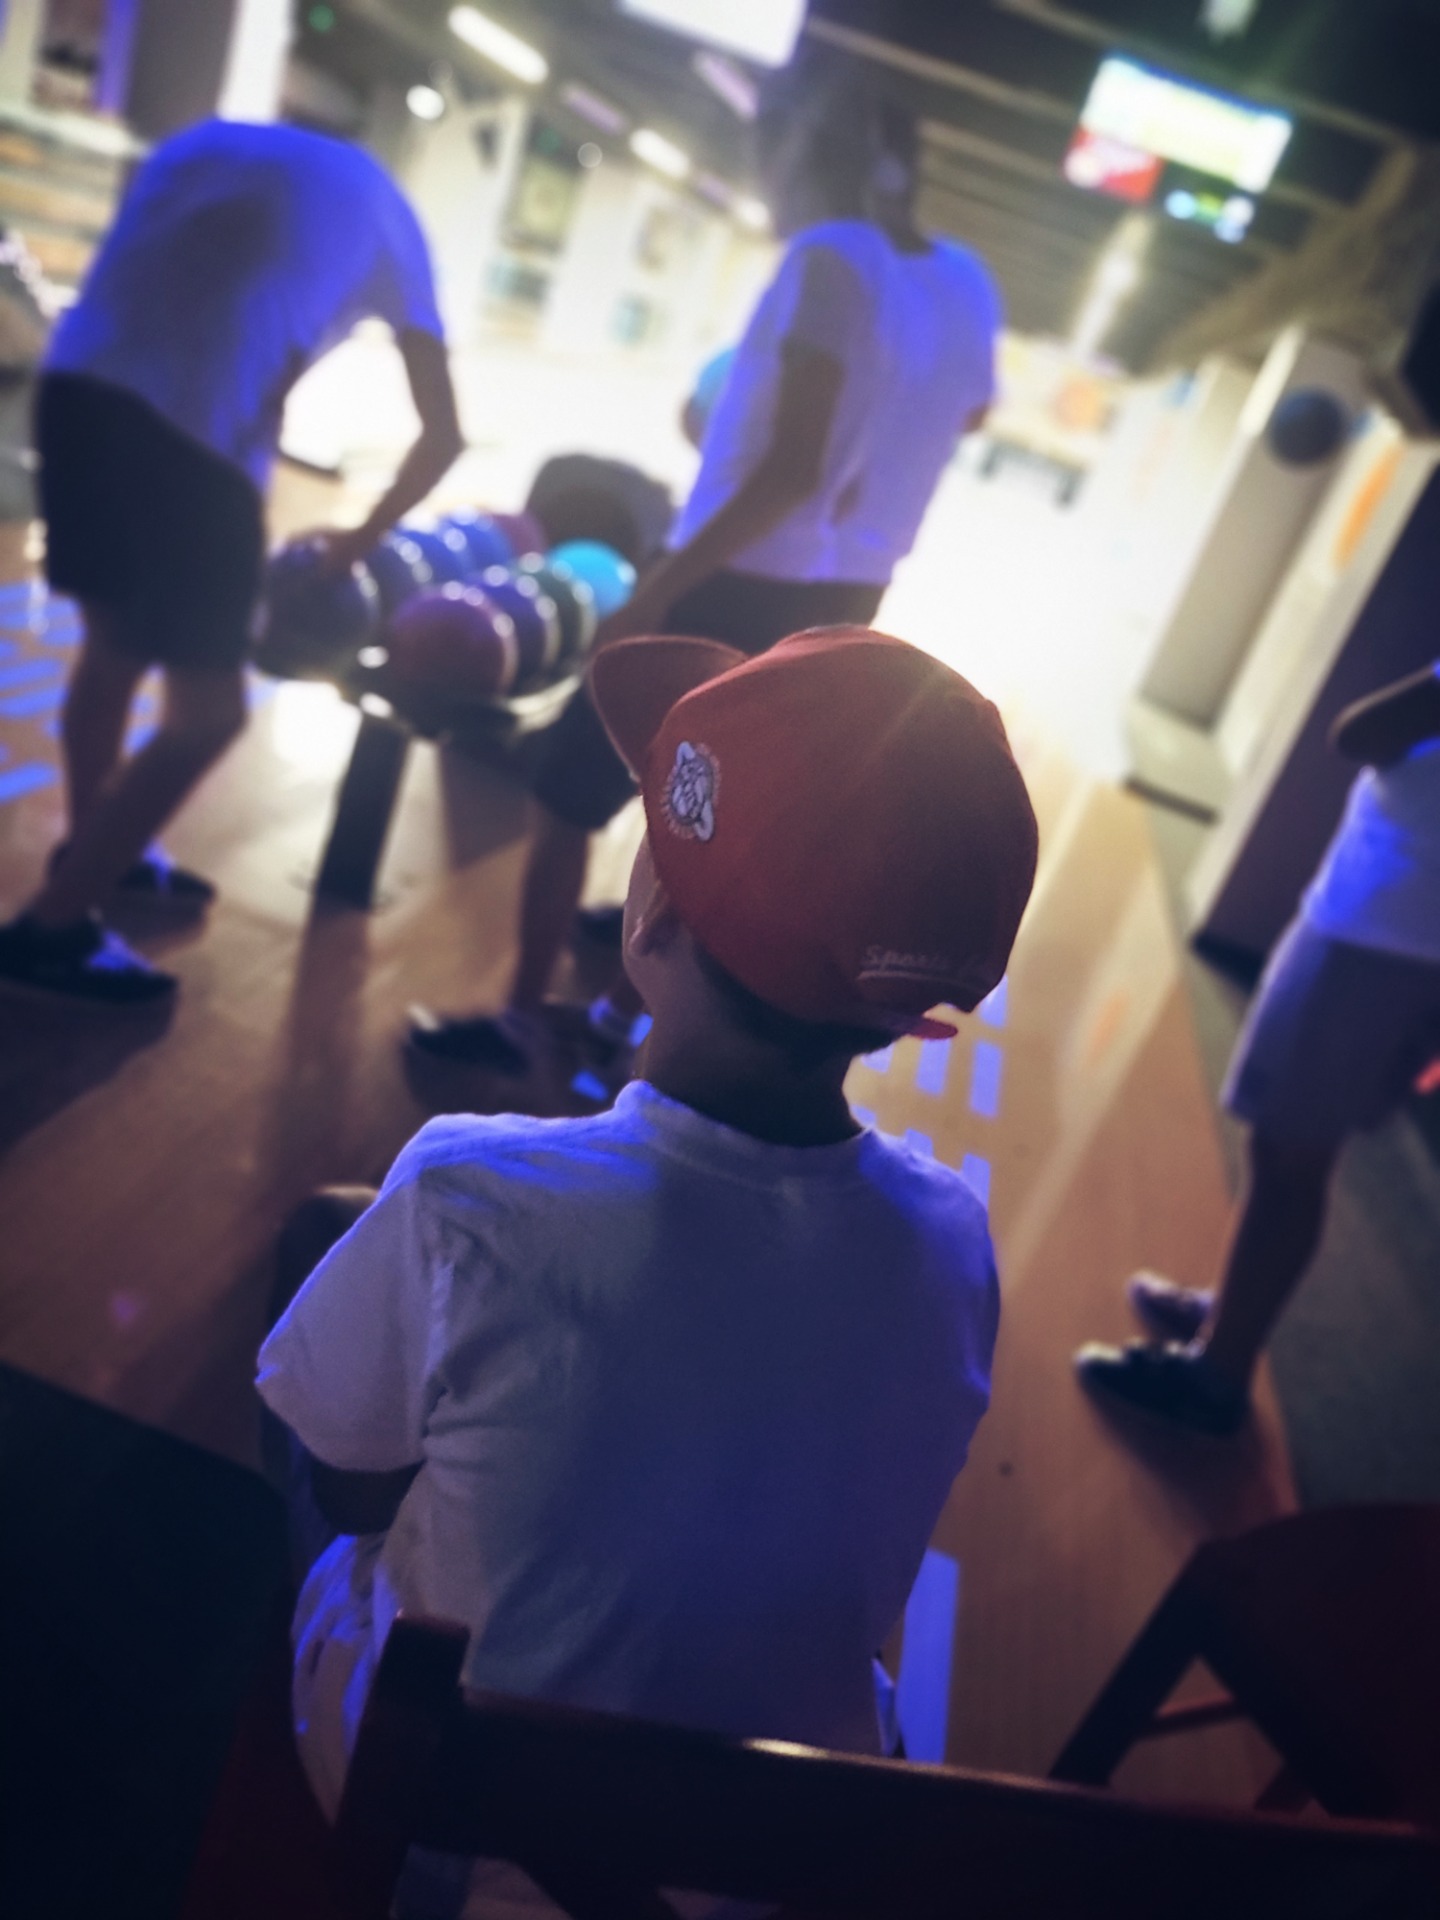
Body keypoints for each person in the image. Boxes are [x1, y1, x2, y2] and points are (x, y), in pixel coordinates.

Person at [257, 626, 1038, 1852]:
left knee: (322, 1277)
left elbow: (354, 1485)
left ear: (656, 908)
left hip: (436, 1831)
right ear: (901, 1014)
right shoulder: (955, 1247)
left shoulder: (472, 1192)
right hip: (749, 1850)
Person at [408, 65, 1000, 1077]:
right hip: (848, 592)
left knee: (566, 791)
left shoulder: (830, 255)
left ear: (813, 154)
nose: (770, 178)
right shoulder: (962, 281)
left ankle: (522, 1022)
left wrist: (659, 587)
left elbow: (793, 469)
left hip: (737, 579)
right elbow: (969, 411)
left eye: (775, 154)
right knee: (727, 818)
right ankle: (616, 1019)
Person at [0, 118, 462, 1004]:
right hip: (188, 431)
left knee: (111, 652)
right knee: (208, 715)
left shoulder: (204, 147)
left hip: (72, 394)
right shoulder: (392, 219)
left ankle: (95, 852)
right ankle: (51, 931)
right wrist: (351, 547)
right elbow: (442, 437)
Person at [1077, 662, 1440, 1436]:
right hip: (1388, 929)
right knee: (1285, 1152)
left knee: (1290, 1157)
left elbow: (1363, 732)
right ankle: (1230, 1316)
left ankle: (1218, 1374)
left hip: (1386, 942)